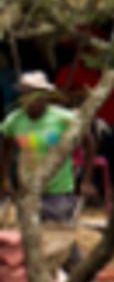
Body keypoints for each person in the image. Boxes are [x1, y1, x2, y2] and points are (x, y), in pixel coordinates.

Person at [0, 71, 85, 224]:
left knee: (56, 237)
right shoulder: (14, 120)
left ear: (45, 96)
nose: (30, 99)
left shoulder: (63, 118)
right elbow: (5, 149)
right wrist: (4, 180)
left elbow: (89, 142)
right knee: (29, 239)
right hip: (27, 189)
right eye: (25, 94)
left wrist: (86, 179)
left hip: (58, 191)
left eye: (33, 93)